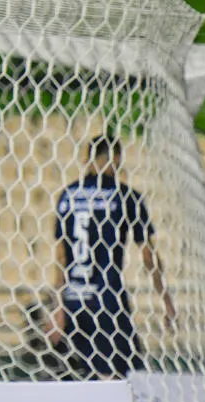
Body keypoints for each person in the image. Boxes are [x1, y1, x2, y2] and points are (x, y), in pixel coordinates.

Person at [45, 136, 175, 380]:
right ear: (116, 160)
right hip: (106, 302)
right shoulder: (126, 197)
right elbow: (148, 256)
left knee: (82, 377)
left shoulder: (68, 195)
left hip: (73, 301)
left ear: (88, 160)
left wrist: (57, 307)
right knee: (115, 378)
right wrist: (166, 299)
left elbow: (61, 255)